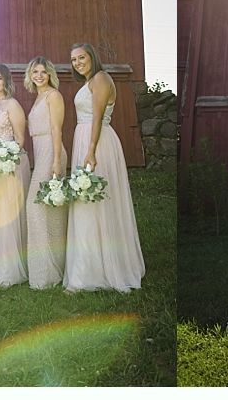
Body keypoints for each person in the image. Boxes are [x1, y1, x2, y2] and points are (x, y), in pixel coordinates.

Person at [63, 43, 145, 292]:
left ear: (92, 57)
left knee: (98, 200)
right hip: (85, 139)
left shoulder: (101, 78)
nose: (77, 63)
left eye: (82, 57)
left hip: (97, 143)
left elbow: (97, 117)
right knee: (86, 201)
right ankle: (88, 266)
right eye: (74, 59)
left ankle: (105, 267)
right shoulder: (89, 81)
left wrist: (90, 150)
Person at [0, 63, 31, 286]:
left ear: (6, 81)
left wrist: (6, 159)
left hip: (10, 163)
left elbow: (20, 139)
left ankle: (10, 270)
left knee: (8, 212)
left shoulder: (13, 104)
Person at [23, 56, 67, 289]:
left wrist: (57, 160)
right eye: (35, 72)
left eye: (43, 72)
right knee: (47, 210)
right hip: (41, 152)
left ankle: (48, 272)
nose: (39, 76)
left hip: (51, 150)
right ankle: (49, 270)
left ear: (50, 74)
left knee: (36, 206)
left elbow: (56, 129)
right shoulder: (39, 97)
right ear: (30, 75)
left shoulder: (53, 96)